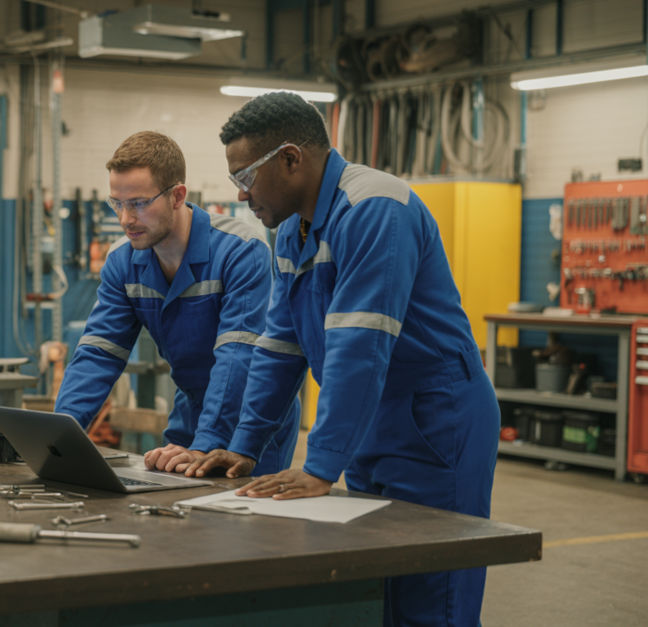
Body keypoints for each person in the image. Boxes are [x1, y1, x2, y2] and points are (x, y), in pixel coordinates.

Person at [187, 92, 499, 626]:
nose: (241, 197)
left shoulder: (375, 209)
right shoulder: (291, 233)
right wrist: (242, 447)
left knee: (430, 593)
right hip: (371, 418)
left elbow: (362, 346)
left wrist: (321, 464)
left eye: (245, 178)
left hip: (434, 418)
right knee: (376, 584)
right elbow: (279, 348)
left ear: (290, 159)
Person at [53, 130, 300, 476]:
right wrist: (58, 434)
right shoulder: (123, 263)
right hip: (192, 409)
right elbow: (99, 352)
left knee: (247, 522)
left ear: (177, 196)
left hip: (252, 415)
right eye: (117, 204)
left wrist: (206, 444)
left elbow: (238, 356)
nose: (126, 219)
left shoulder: (240, 250)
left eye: (138, 203)